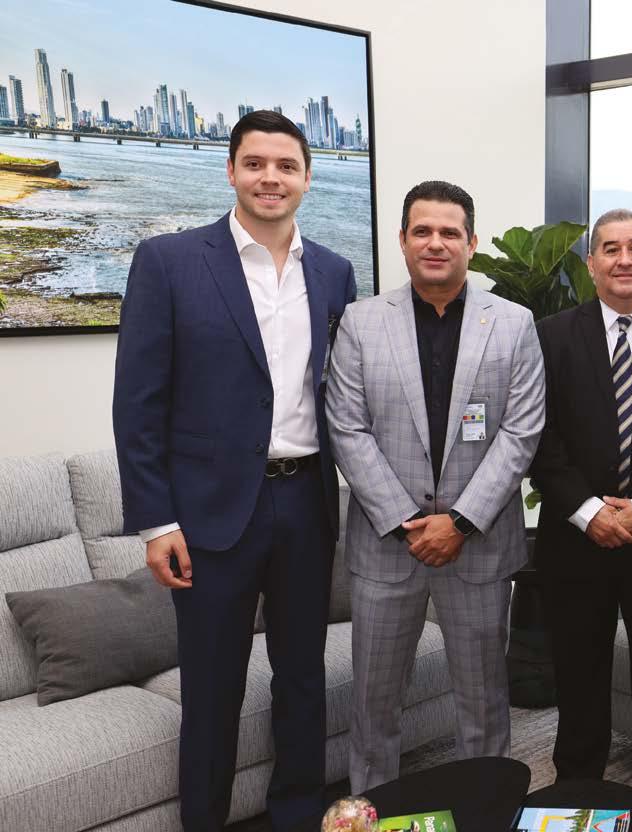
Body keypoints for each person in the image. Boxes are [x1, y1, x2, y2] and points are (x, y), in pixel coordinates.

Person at [112, 110, 357, 832]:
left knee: (304, 679)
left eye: (286, 165)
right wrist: (156, 521)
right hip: (209, 516)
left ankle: (295, 817)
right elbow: (138, 402)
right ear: (230, 171)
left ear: (307, 178)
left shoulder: (334, 272)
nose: (270, 178)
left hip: (307, 504)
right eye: (255, 163)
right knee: (213, 689)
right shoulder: (169, 262)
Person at [326, 180, 545, 791]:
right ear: (402, 240)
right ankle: (373, 816)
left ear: (471, 243)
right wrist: (407, 523)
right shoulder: (363, 322)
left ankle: (487, 808)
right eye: (422, 231)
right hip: (386, 547)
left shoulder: (514, 324)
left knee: (484, 704)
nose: (435, 243)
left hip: (478, 547)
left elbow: (522, 431)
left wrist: (461, 522)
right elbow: (346, 427)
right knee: (374, 706)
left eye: (450, 232)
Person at [531, 209, 632, 810]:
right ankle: (577, 795)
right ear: (591, 263)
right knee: (578, 675)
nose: (624, 259)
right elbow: (537, 437)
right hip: (575, 539)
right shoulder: (550, 336)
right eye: (610, 248)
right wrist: (589, 511)